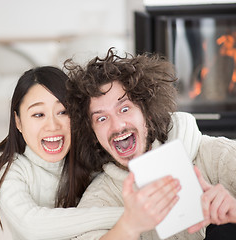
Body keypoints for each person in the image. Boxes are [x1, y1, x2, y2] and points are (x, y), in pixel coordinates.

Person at [0, 66, 182, 240]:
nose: (52, 125)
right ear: (18, 122)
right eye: (38, 114)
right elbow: (31, 224)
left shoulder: (89, 155)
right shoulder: (4, 165)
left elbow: (180, 123)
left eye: (63, 112)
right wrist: (131, 216)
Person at [65, 48, 236, 239]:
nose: (118, 125)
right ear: (93, 133)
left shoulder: (216, 155)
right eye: (102, 119)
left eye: (124, 108)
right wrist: (128, 227)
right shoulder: (101, 197)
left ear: (147, 113)